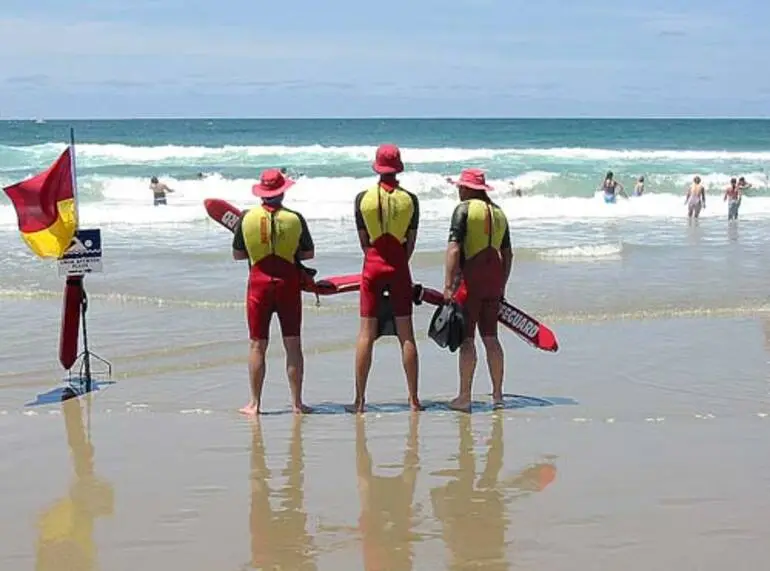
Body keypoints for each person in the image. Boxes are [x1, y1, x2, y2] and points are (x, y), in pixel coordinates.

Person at [231, 168, 314, 415]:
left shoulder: (246, 218)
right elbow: (308, 253)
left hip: (258, 285)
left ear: (261, 193)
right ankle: (297, 403)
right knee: (293, 344)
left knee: (257, 345)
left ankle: (255, 404)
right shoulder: (295, 218)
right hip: (288, 284)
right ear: (282, 192)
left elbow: (238, 254)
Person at [350, 144, 422, 413]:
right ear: (398, 167)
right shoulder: (411, 200)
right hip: (399, 265)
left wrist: (375, 260)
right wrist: (399, 263)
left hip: (372, 264)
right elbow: (410, 242)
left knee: (366, 334)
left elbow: (364, 241)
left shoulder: (362, 198)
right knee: (406, 335)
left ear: (377, 167)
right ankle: (413, 399)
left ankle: (359, 401)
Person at [443, 168, 513, 412]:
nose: (458, 190)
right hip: (493, 281)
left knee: (467, 339)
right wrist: (501, 285)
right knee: (491, 338)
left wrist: (449, 285)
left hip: (470, 281)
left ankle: (464, 397)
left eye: (460, 187)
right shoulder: (499, 213)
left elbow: (454, 249)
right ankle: (498, 395)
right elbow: (507, 254)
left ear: (467, 189)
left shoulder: (463, 210)